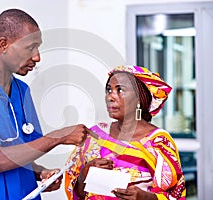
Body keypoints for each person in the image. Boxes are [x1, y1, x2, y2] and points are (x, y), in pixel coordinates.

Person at [0, 8, 89, 200]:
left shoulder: (22, 91)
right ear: (3, 44)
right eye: (30, 48)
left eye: (38, 48)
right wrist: (58, 137)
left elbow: (22, 154)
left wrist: (39, 173)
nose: (37, 57)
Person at [64, 65, 186, 200]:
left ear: (139, 98)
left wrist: (144, 197)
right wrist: (83, 175)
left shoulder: (158, 141)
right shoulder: (94, 135)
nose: (110, 96)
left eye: (120, 90)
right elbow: (76, 194)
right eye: (109, 90)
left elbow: (176, 195)